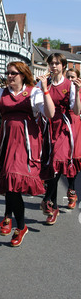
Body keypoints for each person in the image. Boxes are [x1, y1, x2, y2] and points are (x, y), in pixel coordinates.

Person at [0, 61, 55, 246]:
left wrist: (46, 90)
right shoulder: (0, 93)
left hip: (26, 143)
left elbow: (50, 113)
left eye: (13, 73)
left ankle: (19, 224)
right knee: (9, 181)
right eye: (7, 73)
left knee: (14, 181)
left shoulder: (34, 93)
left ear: (22, 75)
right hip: (7, 142)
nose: (9, 76)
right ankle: (13, 221)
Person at [40, 54, 81, 224]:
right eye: (51, 63)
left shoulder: (70, 85)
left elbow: (77, 111)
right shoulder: (43, 82)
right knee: (49, 167)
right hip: (47, 125)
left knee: (57, 161)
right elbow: (35, 103)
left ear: (63, 66)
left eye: (57, 63)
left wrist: (77, 92)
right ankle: (53, 207)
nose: (53, 66)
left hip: (64, 127)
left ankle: (48, 199)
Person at [66, 68, 81, 208]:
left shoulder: (78, 91)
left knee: (73, 160)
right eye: (68, 77)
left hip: (75, 125)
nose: (70, 80)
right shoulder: (63, 90)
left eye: (73, 77)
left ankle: (71, 190)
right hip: (62, 126)